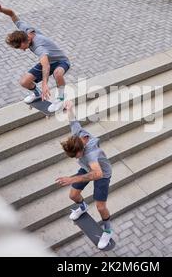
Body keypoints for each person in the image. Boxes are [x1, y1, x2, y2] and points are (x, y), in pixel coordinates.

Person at [56, 101, 114, 249]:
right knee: (73, 195)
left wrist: (72, 179)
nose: (76, 158)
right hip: (87, 169)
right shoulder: (78, 135)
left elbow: (97, 173)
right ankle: (82, 207)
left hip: (102, 173)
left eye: (76, 156)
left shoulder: (91, 154)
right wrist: (69, 107)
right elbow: (73, 121)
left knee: (100, 206)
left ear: (81, 150)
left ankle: (107, 231)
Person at [0, 3, 70, 112]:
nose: (23, 50)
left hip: (61, 61)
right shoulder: (25, 31)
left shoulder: (39, 47)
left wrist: (45, 84)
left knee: (57, 73)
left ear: (26, 41)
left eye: (21, 47)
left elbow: (46, 66)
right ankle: (37, 94)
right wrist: (1, 10)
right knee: (24, 82)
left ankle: (60, 98)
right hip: (48, 61)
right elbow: (12, 14)